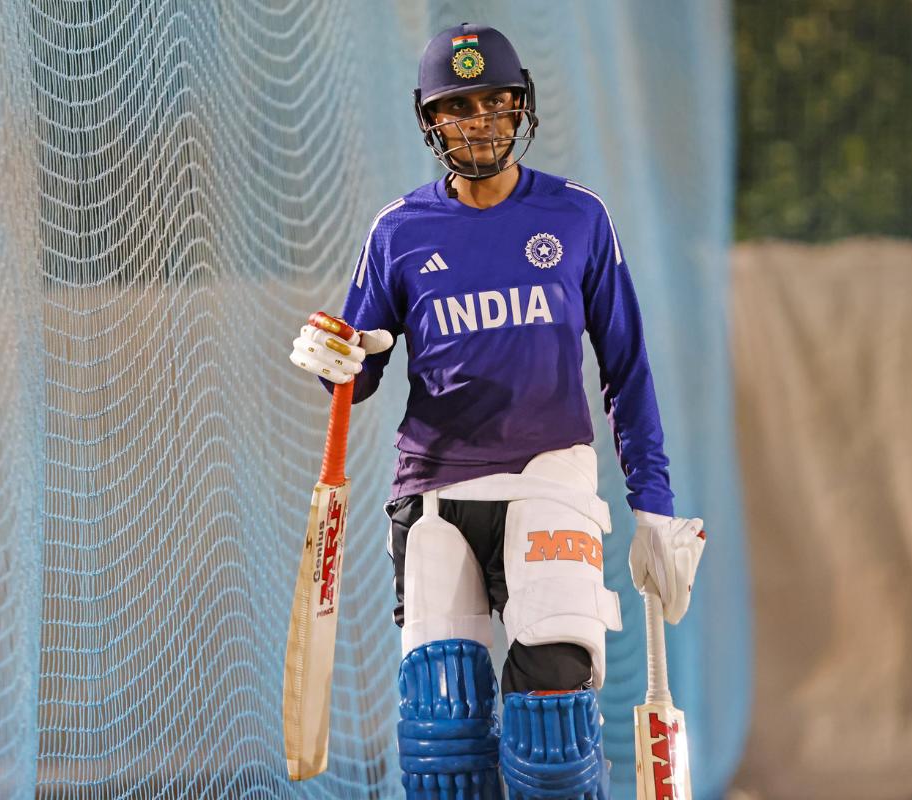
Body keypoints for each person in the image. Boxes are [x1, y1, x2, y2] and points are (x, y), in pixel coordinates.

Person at [290, 22, 705, 799]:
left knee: (552, 728)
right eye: (459, 107)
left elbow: (627, 369)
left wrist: (654, 507)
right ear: (430, 120)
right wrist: (339, 363)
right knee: (443, 736)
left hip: (550, 483)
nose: (478, 121)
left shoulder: (577, 217)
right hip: (435, 494)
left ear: (521, 109)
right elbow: (361, 366)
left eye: (495, 102)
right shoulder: (397, 232)